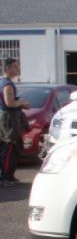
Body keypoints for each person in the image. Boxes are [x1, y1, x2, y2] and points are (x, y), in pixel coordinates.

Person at [0, 57, 30, 187]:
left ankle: (9, 175)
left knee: (11, 146)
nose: (18, 69)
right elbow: (9, 103)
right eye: (15, 67)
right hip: (9, 119)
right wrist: (22, 103)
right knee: (10, 147)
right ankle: (6, 177)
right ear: (7, 69)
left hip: (7, 117)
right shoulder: (6, 84)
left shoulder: (4, 82)